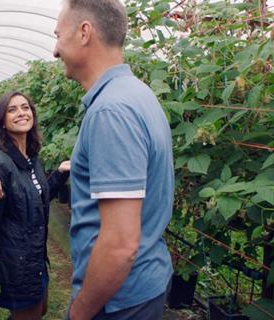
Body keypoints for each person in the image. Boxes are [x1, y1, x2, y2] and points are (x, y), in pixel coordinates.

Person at [53, 1, 174, 319]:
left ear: (84, 33)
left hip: (119, 301)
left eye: (58, 36)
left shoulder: (111, 111)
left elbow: (120, 244)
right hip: (141, 287)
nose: (55, 50)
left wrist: (80, 312)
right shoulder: (136, 93)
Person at [0, 91, 70, 320]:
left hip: (33, 255)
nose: (21, 113)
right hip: (15, 261)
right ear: (2, 122)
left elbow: (35, 198)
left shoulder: (31, 157)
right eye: (12, 109)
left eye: (25, 107)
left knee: (41, 308)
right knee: (30, 314)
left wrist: (59, 173)